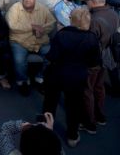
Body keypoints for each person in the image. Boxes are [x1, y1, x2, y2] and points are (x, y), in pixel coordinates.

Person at [43, 8, 100, 147]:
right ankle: (72, 136)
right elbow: (94, 63)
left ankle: (45, 131)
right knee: (74, 107)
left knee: (50, 103)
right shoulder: (91, 37)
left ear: (71, 19)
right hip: (77, 77)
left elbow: (52, 56)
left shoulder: (61, 34)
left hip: (57, 73)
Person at [6, 0, 56, 96]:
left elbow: (52, 22)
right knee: (19, 60)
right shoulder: (15, 8)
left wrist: (42, 29)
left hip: (39, 41)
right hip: (20, 41)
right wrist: (33, 27)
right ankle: (23, 81)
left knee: (52, 56)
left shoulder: (42, 8)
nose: (27, 0)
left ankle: (40, 77)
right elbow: (13, 26)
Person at [83, 0, 120, 130]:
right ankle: (100, 115)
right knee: (99, 87)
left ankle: (89, 122)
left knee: (87, 90)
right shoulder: (114, 14)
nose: (86, 3)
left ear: (92, 2)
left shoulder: (93, 20)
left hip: (93, 60)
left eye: (87, 0)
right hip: (107, 57)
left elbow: (89, 43)